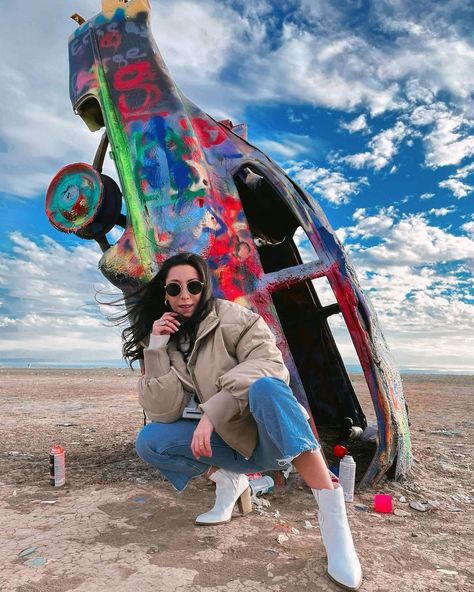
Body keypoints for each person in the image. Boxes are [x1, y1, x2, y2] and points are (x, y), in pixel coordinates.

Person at [122, 252, 362, 591]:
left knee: (267, 388)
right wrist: (157, 349)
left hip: (266, 440)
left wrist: (213, 412)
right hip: (227, 444)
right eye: (174, 289)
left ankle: (335, 527)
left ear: (205, 287)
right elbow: (163, 411)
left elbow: (270, 365)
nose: (184, 296)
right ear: (165, 293)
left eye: (193, 286)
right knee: (150, 440)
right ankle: (230, 483)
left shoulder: (236, 319)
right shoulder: (162, 337)